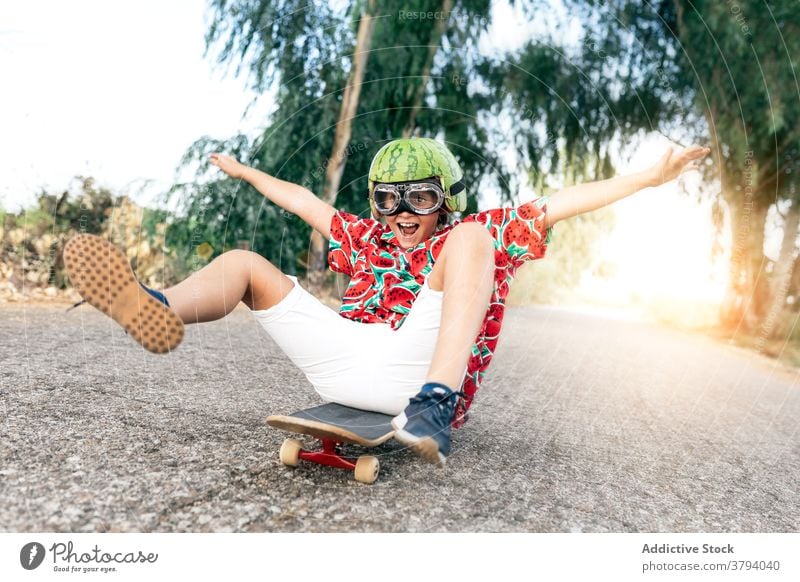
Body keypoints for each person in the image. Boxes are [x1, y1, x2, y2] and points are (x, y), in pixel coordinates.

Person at [64, 137, 710, 467]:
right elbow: (298, 198)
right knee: (242, 264)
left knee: (476, 239)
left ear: (445, 198)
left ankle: (438, 402)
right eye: (387, 199)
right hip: (345, 365)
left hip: (417, 375)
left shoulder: (471, 233)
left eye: (420, 199)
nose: (401, 214)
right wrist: (243, 172)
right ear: (374, 201)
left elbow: (566, 201)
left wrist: (651, 177)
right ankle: (149, 303)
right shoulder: (361, 234)